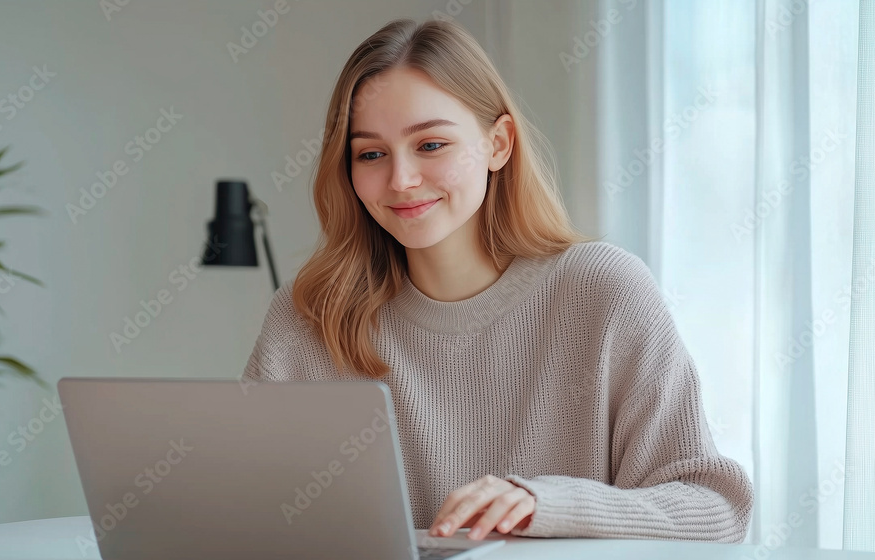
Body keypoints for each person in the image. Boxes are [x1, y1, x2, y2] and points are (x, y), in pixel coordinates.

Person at [241, 17, 753, 543]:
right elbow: (236, 511)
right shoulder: (308, 318)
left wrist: (545, 505)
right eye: (370, 154)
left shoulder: (604, 291)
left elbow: (715, 510)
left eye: (431, 144)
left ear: (499, 144)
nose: (401, 180)